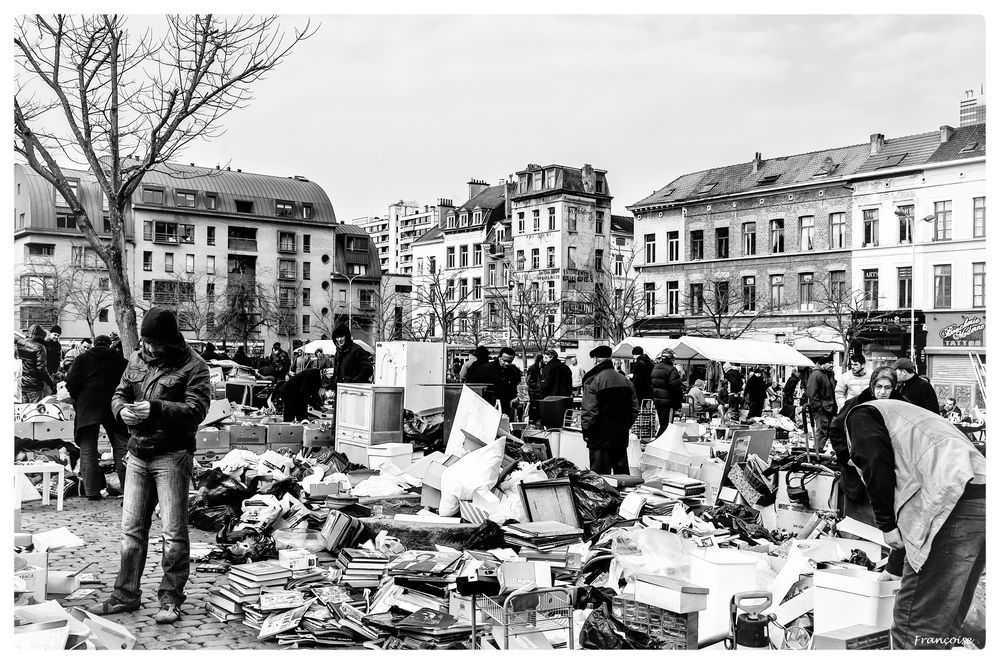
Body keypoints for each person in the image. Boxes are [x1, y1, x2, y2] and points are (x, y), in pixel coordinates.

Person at [95, 307, 211, 625]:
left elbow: (197, 409)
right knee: (131, 531)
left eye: (152, 344)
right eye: (144, 342)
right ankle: (125, 594)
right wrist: (122, 412)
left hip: (172, 456)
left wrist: (156, 408)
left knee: (173, 533)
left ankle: (171, 598)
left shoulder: (194, 365)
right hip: (137, 454)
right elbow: (119, 393)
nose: (147, 348)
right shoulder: (137, 357)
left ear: (168, 342)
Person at [845, 398, 985, 649]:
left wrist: (885, 524)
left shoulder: (858, 416)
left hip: (952, 502)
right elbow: (908, 517)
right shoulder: (902, 417)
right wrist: (893, 568)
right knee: (944, 624)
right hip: (981, 497)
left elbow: (875, 460)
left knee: (915, 630)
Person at [828, 366, 904, 527]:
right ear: (872, 386)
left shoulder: (901, 405)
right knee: (858, 526)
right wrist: (845, 456)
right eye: (879, 387)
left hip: (889, 476)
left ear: (894, 387)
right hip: (857, 477)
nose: (882, 392)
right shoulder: (856, 405)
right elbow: (835, 430)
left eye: (887, 387)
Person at [64, 335, 129, 499]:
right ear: (110, 345)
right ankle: (130, 491)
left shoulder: (82, 358)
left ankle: (92, 492)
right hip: (114, 403)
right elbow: (129, 383)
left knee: (88, 450)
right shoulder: (120, 360)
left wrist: (78, 396)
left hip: (88, 403)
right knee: (121, 449)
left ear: (94, 344)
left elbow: (70, 381)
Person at [581, 345, 640, 474]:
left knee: (600, 479)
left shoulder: (592, 381)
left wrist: (586, 430)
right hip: (620, 436)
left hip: (599, 438)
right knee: (622, 477)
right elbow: (635, 408)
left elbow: (590, 411)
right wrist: (625, 425)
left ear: (596, 359)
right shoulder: (626, 381)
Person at [15, 324, 57, 403]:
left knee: (24, 411)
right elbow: (41, 369)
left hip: (22, 384)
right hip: (34, 386)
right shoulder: (40, 347)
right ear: (41, 335)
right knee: (36, 412)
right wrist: (52, 385)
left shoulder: (20, 343)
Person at [806, 353, 837, 452]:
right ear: (822, 364)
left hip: (830, 408)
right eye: (829, 363)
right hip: (821, 409)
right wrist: (818, 408)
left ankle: (825, 452)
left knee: (831, 431)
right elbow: (812, 393)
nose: (832, 365)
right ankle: (816, 453)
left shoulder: (830, 374)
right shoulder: (816, 375)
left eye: (832, 363)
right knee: (822, 431)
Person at [651, 348, 683, 436]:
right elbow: (676, 388)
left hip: (657, 401)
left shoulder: (655, 368)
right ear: (671, 358)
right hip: (668, 402)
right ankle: (659, 442)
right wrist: (678, 402)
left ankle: (659, 441)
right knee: (667, 425)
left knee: (662, 423)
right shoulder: (671, 370)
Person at [489, 347, 523, 420]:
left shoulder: (513, 371)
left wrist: (515, 397)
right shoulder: (488, 369)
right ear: (499, 357)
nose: (507, 363)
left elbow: (515, 386)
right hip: (492, 404)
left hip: (507, 405)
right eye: (504, 361)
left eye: (510, 361)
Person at [525, 353, 544, 424]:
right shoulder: (533, 368)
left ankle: (533, 420)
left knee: (535, 407)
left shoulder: (535, 367)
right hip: (534, 391)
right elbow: (528, 380)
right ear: (541, 360)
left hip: (535, 390)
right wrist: (536, 385)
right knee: (534, 406)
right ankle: (533, 420)